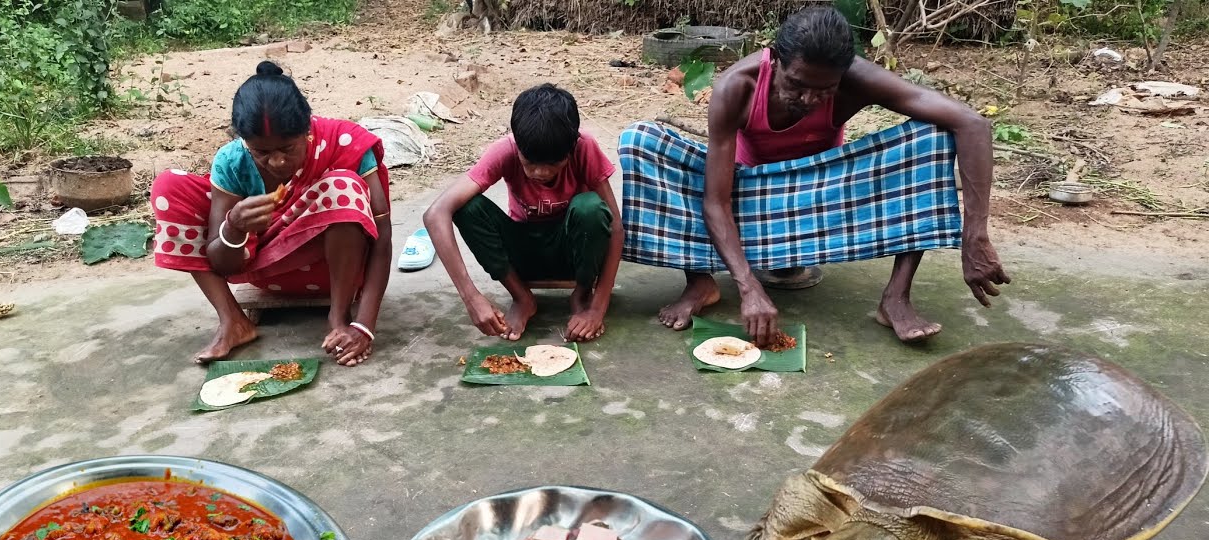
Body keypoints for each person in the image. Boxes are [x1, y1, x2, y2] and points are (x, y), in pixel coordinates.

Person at [617, 7, 1010, 345]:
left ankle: (896, 299)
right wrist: (747, 286)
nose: (808, 100)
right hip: (750, 195)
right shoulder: (737, 86)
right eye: (797, 85)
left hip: (820, 197)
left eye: (825, 91)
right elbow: (717, 200)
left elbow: (972, 124)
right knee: (642, 142)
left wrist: (974, 236)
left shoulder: (858, 78)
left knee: (932, 138)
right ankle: (701, 281)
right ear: (774, 60)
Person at [150, 61, 392, 366]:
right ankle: (233, 321)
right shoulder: (232, 162)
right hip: (262, 270)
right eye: (261, 153)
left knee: (342, 185)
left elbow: (382, 240)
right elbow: (222, 263)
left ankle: (339, 316)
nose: (276, 162)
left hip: (336, 271)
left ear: (307, 130)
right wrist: (234, 227)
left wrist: (364, 326)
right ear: (243, 142)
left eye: (288, 149)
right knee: (170, 186)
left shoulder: (344, 141)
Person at [422, 83, 624, 342]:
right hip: (523, 255)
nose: (541, 173)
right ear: (517, 145)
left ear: (571, 148)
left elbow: (616, 228)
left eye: (553, 165)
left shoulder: (584, 147)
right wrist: (471, 297)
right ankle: (522, 297)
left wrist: (598, 308)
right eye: (529, 163)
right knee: (467, 207)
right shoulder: (505, 150)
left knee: (591, 208)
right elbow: (435, 213)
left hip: (574, 254)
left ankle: (582, 295)